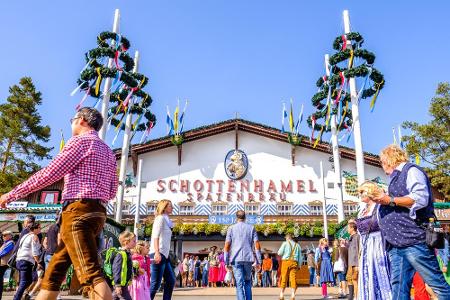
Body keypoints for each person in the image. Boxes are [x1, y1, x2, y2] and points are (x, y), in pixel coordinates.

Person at [0, 107, 118, 300]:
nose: (71, 123)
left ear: (81, 120)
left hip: (77, 211)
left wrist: (12, 194)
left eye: (73, 119)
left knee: (91, 273)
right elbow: (112, 191)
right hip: (98, 213)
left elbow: (49, 173)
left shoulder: (80, 141)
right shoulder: (108, 151)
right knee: (54, 273)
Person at [373, 145, 450, 299]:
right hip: (396, 242)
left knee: (437, 285)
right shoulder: (395, 177)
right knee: (399, 287)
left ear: (390, 159)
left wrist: (390, 200)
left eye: (382, 162)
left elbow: (420, 198)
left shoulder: (412, 171)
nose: (382, 166)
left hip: (413, 239)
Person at [356, 181, 392, 300]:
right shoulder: (362, 211)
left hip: (378, 244)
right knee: (367, 273)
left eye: (362, 192)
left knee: (380, 272)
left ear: (369, 192)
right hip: (366, 246)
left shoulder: (379, 207)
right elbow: (361, 235)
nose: (360, 195)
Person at [224, 210, 262, 300]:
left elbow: (227, 245)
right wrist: (259, 261)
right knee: (248, 282)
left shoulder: (231, 228)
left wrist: (226, 261)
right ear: (245, 217)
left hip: (235, 259)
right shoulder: (251, 228)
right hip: (248, 259)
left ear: (236, 218)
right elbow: (257, 245)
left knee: (239, 283)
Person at [150, 200, 175, 300]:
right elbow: (155, 236)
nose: (172, 208)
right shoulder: (160, 218)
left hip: (165, 254)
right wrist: (156, 252)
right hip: (158, 253)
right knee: (155, 283)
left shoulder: (167, 220)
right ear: (164, 207)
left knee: (170, 280)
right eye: (170, 206)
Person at [14, 222, 41, 300]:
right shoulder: (34, 236)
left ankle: (19, 295)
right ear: (35, 229)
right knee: (24, 281)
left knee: (28, 280)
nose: (40, 229)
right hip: (26, 261)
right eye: (39, 228)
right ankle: (16, 298)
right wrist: (38, 262)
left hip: (19, 260)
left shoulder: (25, 236)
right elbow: (35, 251)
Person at [111, 232, 136, 300]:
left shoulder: (128, 254)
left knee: (114, 297)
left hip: (124, 284)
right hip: (120, 284)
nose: (135, 243)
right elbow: (116, 270)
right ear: (126, 242)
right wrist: (117, 285)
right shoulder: (121, 254)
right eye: (133, 241)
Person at [277, 234, 302, 300]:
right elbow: (300, 257)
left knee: (284, 277)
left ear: (287, 238)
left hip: (286, 262)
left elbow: (279, 253)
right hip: (294, 262)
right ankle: (293, 295)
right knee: (293, 278)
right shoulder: (297, 245)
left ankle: (281, 295)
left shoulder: (285, 243)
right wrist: (299, 265)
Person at [346, 221, 360, 300]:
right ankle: (351, 297)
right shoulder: (350, 238)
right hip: (350, 263)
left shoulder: (357, 237)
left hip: (355, 263)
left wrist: (358, 264)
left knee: (355, 281)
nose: (347, 230)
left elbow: (359, 250)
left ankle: (357, 297)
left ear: (352, 228)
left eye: (348, 228)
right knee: (349, 279)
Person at [0, 231, 15, 299]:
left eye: (5, 235)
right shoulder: (5, 243)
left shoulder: (10, 243)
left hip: (4, 264)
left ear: (10, 236)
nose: (3, 236)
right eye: (3, 235)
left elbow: (3, 252)